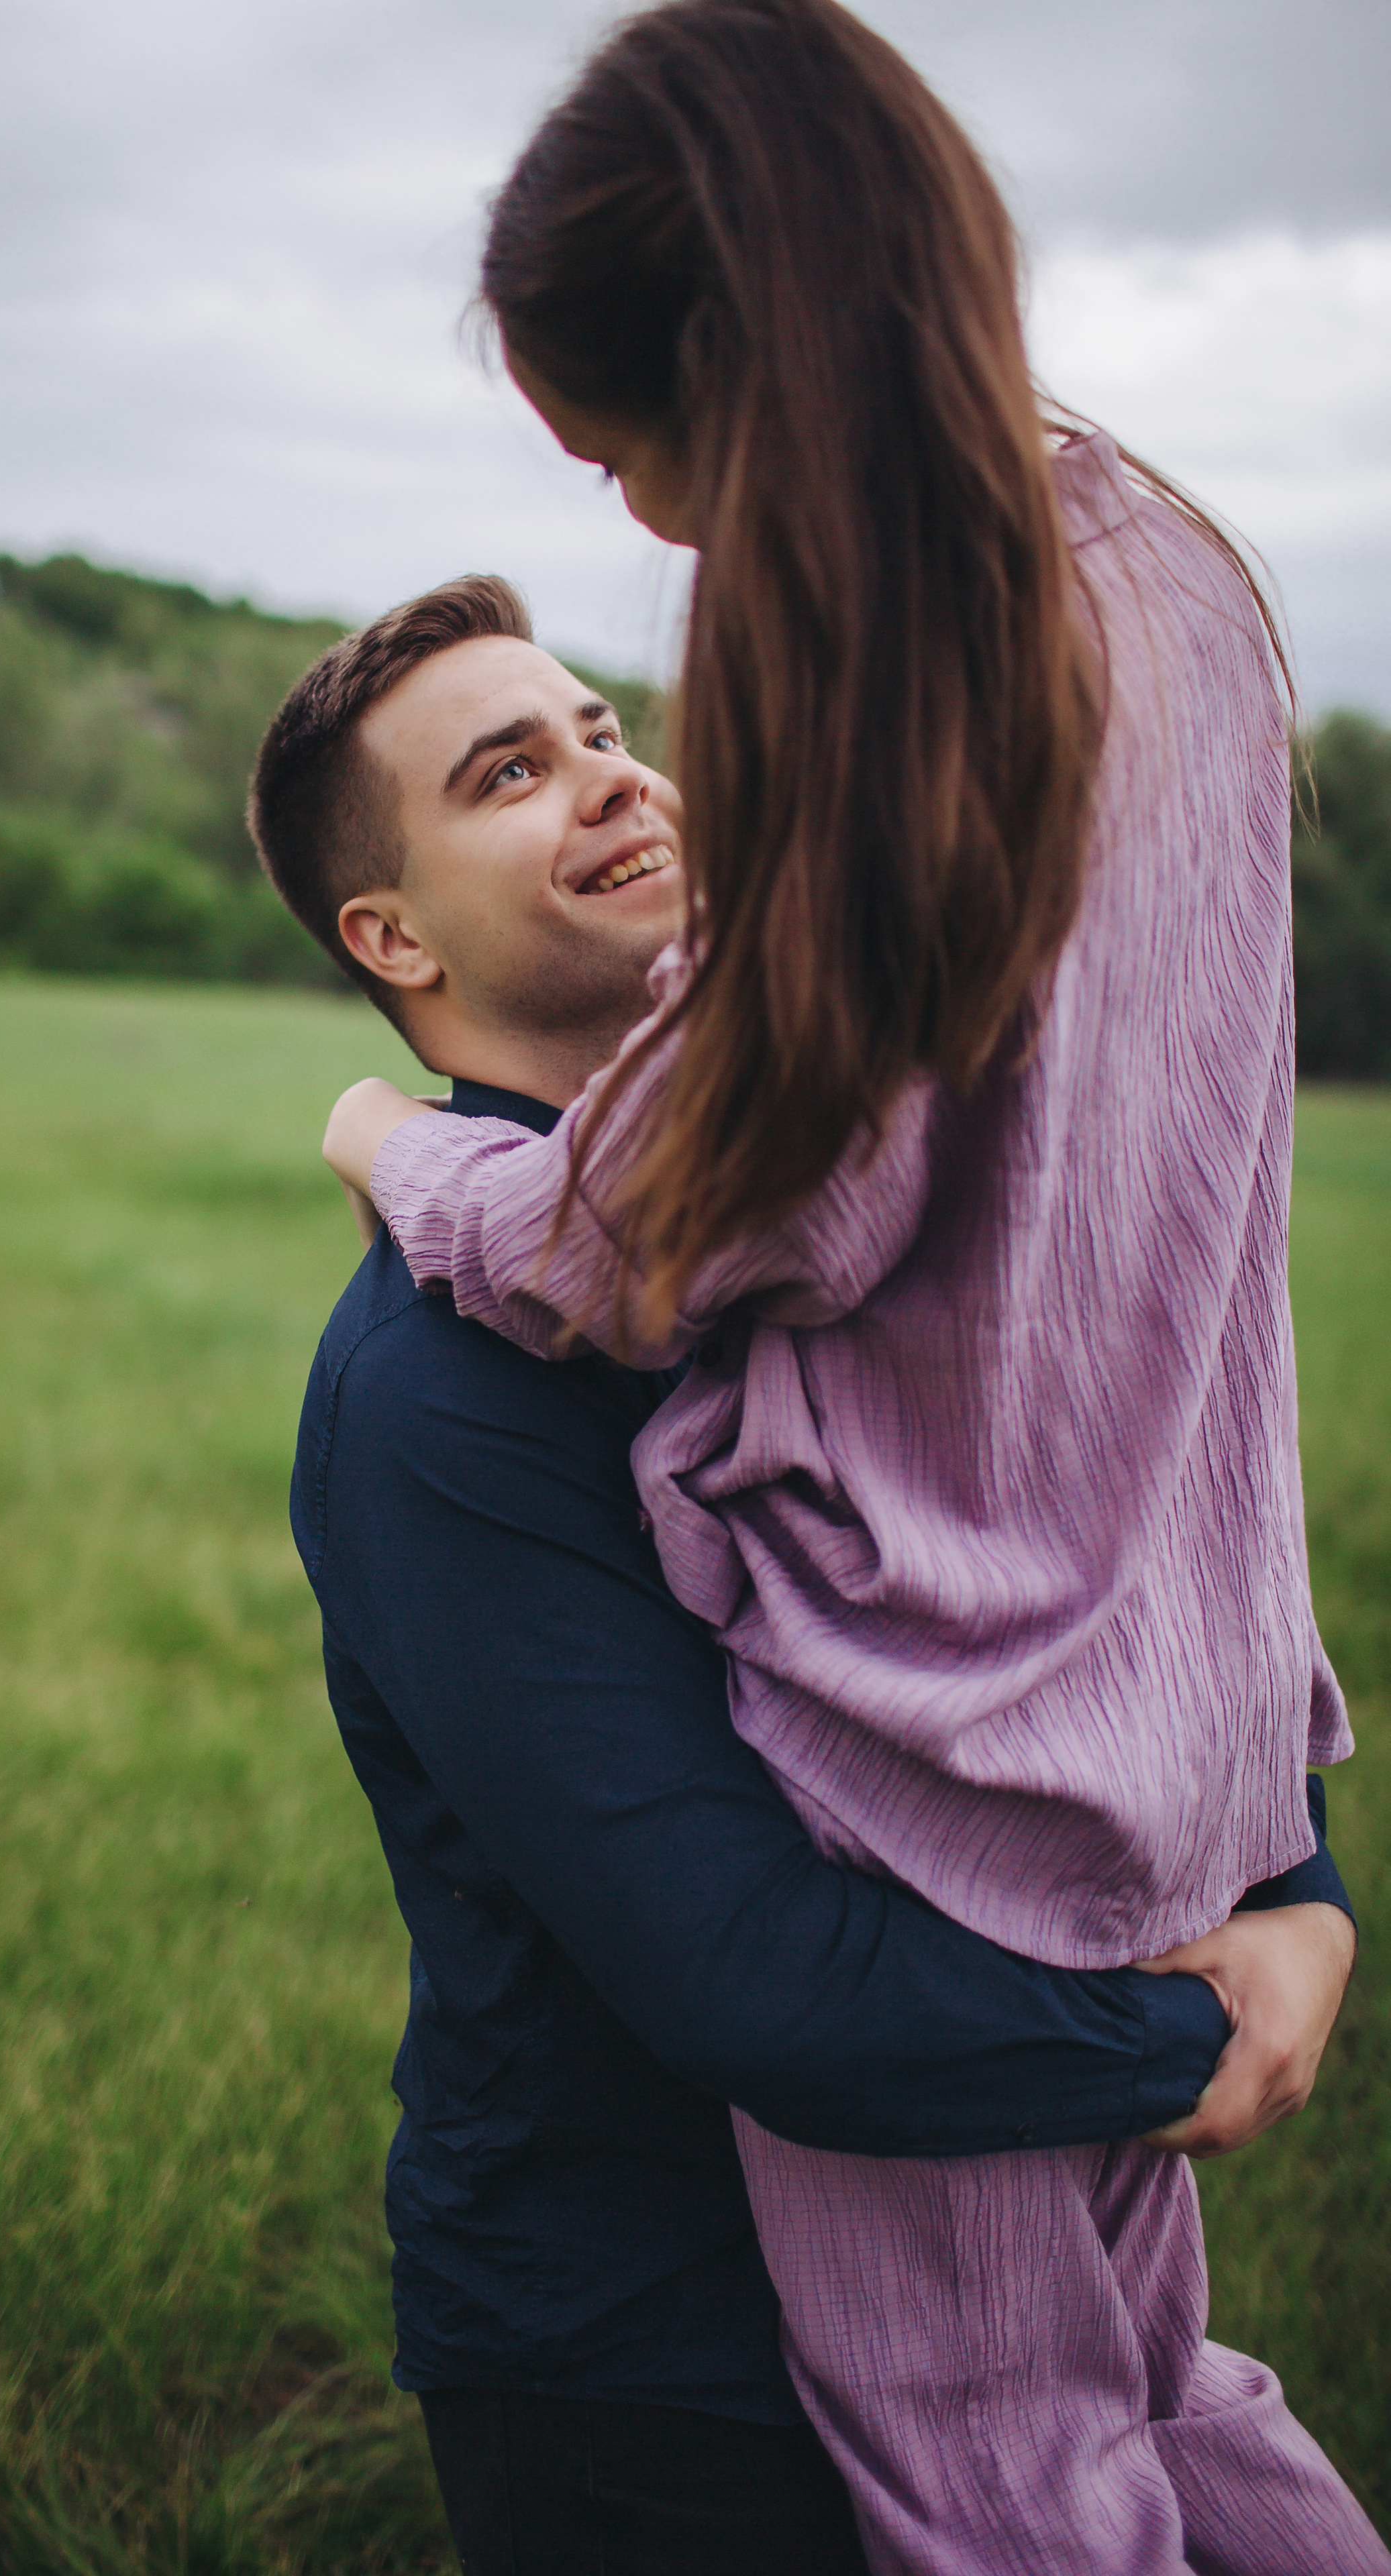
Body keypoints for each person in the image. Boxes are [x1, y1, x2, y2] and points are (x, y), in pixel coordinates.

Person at [317, 7, 1388, 2571]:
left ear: (724, 366)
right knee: (1118, 2418)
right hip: (1137, 1749)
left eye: (633, 468)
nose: (666, 569)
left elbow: (666, 1220)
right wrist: (1255, 1918)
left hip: (983, 1763)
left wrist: (380, 1140)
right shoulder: (1172, 576)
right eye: (509, 768)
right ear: (387, 932)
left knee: (1036, 2466)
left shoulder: (913, 685)